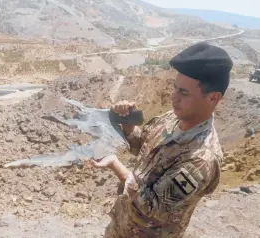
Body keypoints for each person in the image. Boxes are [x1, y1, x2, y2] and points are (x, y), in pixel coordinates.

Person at [91, 42, 233, 237]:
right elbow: (144, 146)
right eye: (175, 88)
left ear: (213, 98)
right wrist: (128, 127)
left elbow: (154, 206)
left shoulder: (201, 159)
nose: (173, 98)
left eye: (183, 93)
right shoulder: (172, 118)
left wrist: (117, 167)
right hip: (122, 226)